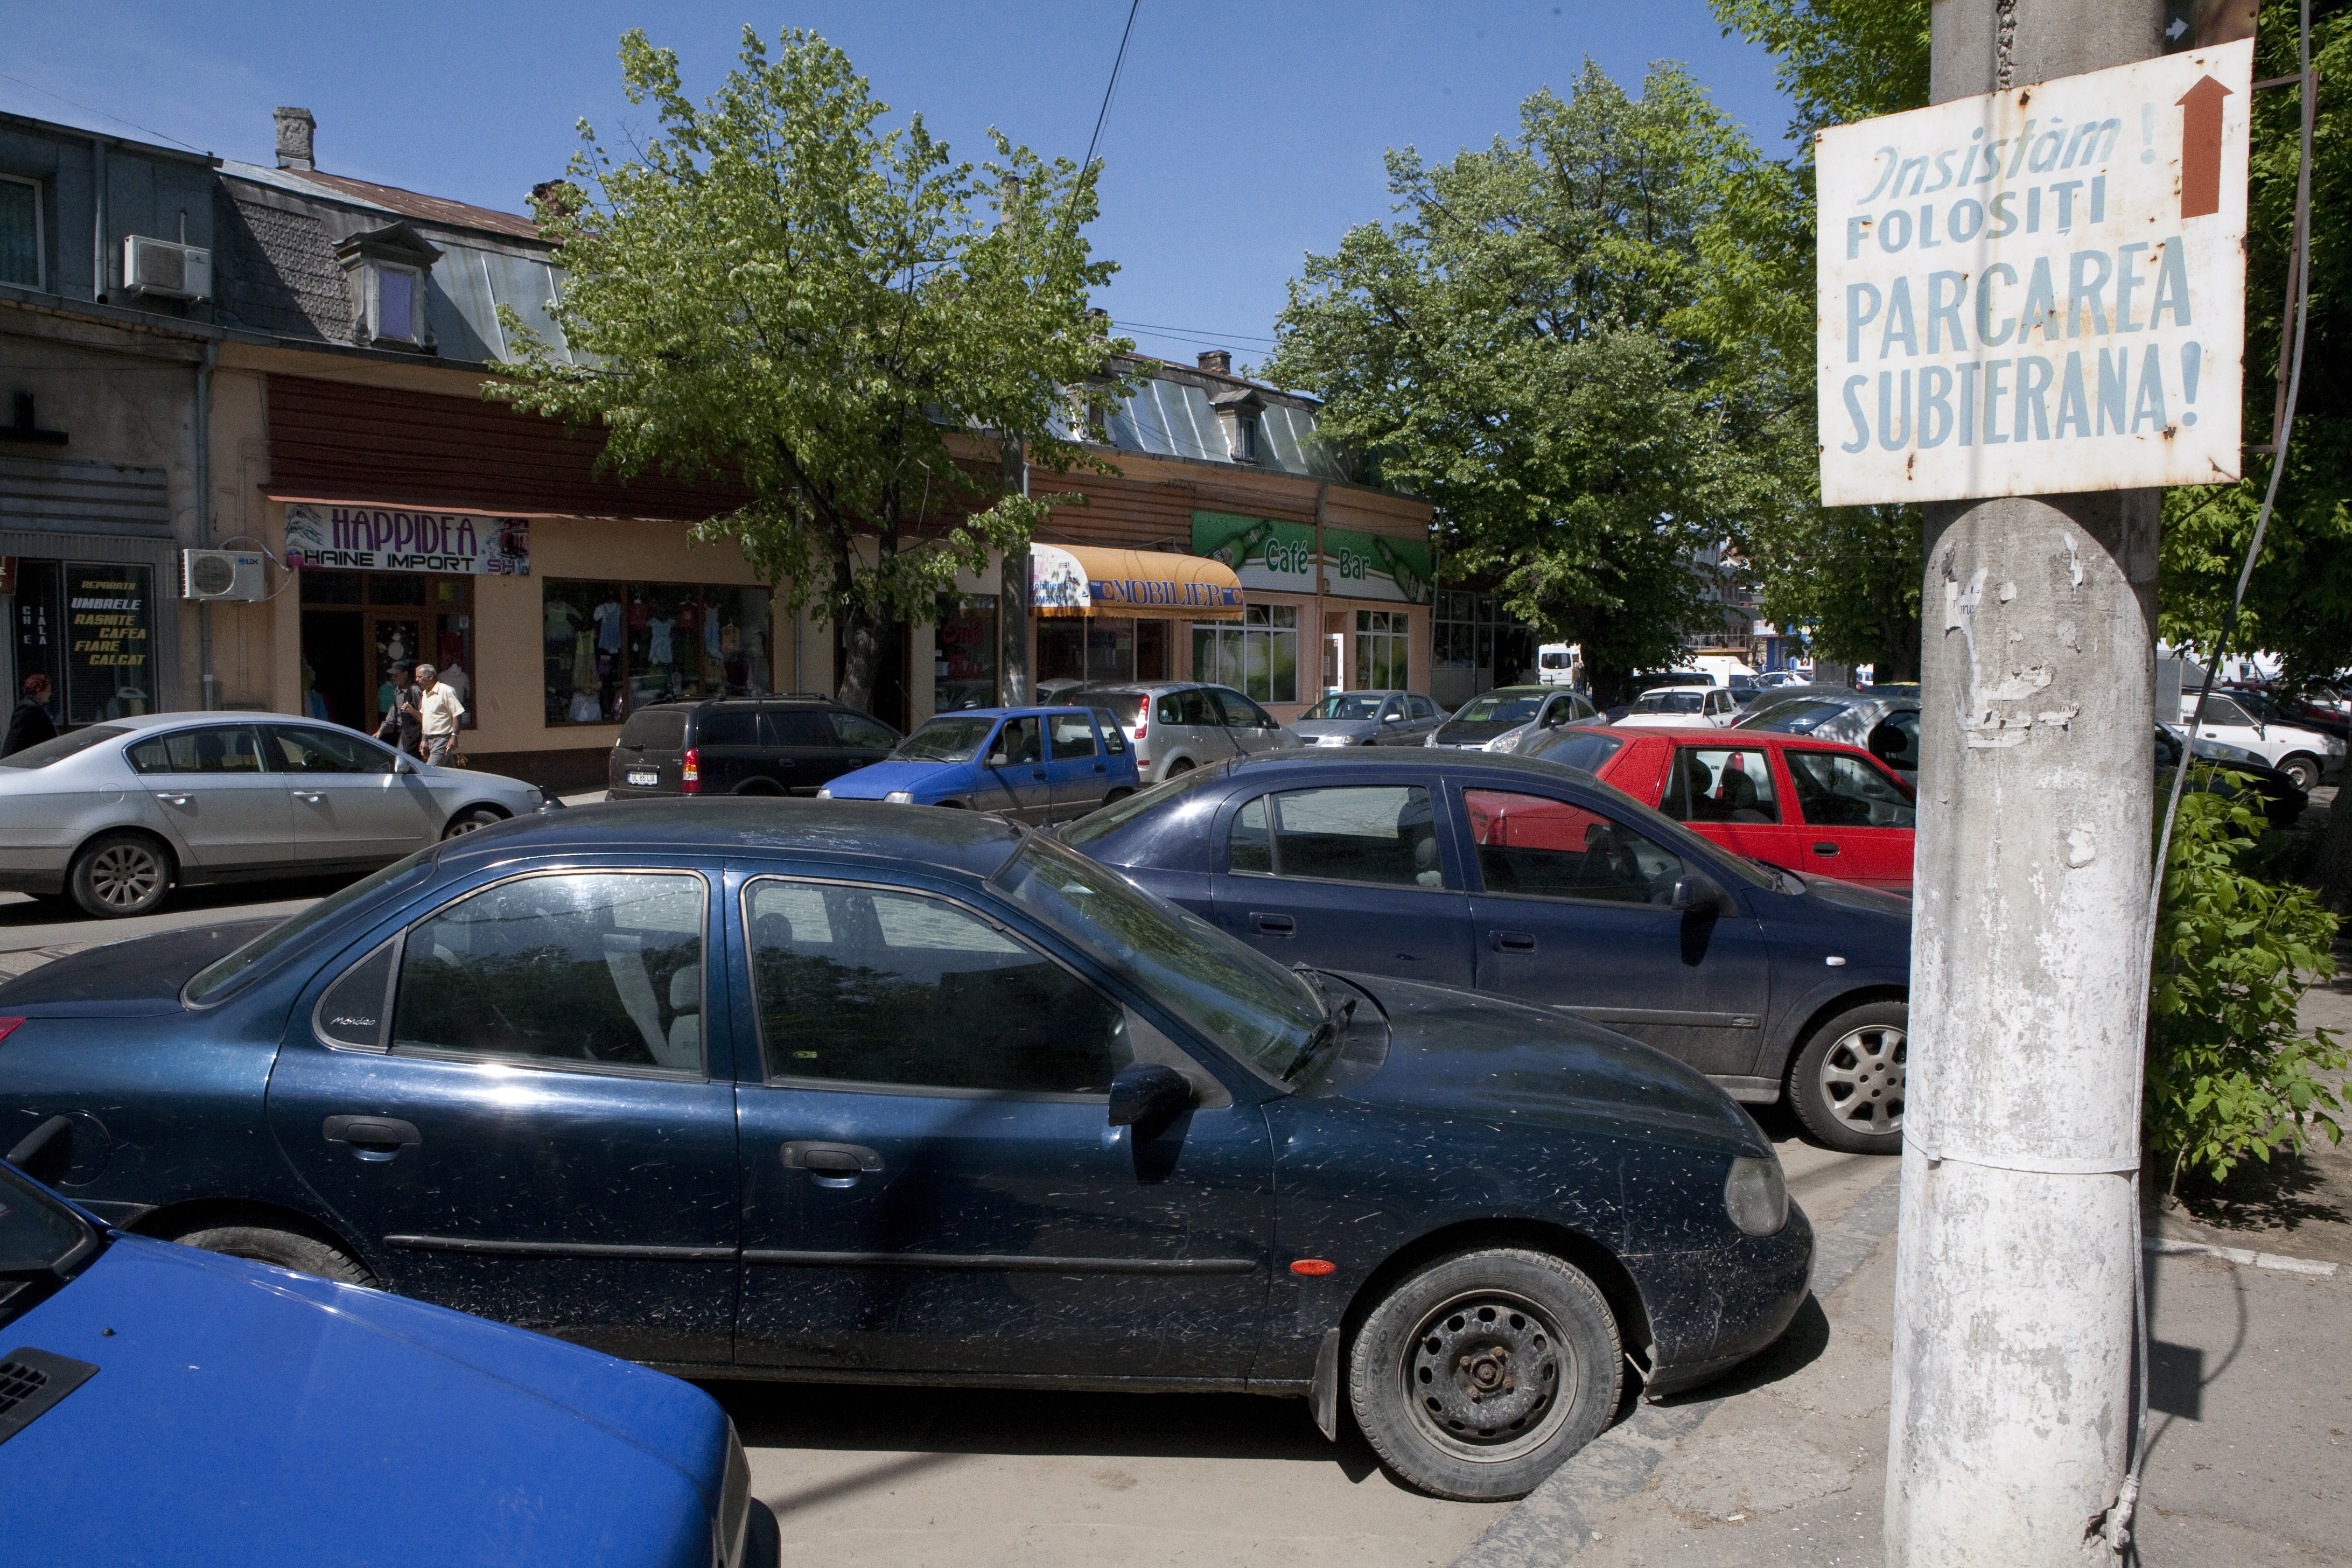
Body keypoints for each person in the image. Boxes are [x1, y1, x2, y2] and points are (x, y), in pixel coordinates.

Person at [415, 662, 466, 765]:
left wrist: (454, 736)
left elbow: (457, 714)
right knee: (448, 773)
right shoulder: (425, 694)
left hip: (443, 739)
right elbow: (426, 719)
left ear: (430, 676)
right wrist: (424, 739)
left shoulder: (446, 691)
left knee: (430, 772)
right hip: (430, 740)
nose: (417, 680)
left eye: (419, 677)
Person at [3, 673, 57, 758]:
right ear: (39, 690)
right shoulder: (27, 708)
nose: (51, 694)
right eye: (49, 691)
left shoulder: (37, 707)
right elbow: (15, 739)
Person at [376, 663, 421, 756]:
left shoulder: (414, 690)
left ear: (405, 675)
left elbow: (423, 713)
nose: (393, 678)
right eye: (392, 676)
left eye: (396, 675)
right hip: (403, 733)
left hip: (415, 734)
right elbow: (393, 711)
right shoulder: (398, 690)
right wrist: (381, 730)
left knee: (406, 760)